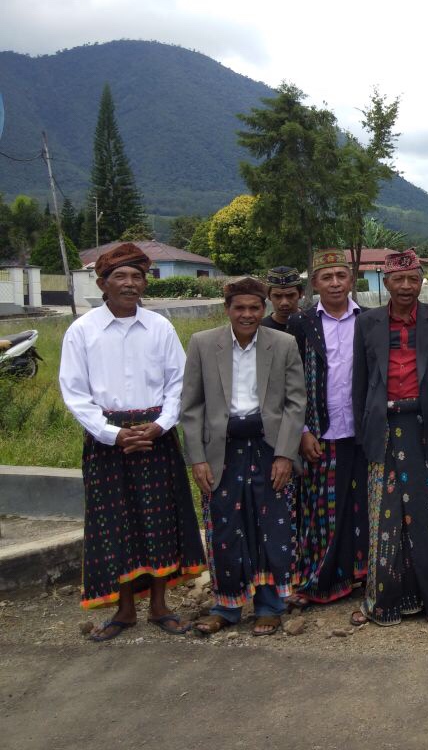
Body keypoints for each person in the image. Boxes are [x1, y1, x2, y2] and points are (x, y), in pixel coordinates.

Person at [58, 243, 205, 640]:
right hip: (107, 442)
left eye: (136, 276)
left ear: (144, 283)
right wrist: (113, 434)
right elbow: (74, 393)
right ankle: (123, 610)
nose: (129, 283)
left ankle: (160, 606)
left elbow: (179, 384)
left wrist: (159, 425)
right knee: (115, 524)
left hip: (157, 436)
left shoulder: (160, 327)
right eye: (119, 276)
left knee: (161, 521)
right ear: (102, 283)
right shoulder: (82, 331)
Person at [181, 277, 305, 637]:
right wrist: (197, 458)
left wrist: (285, 453)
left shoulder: (283, 345)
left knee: (272, 528)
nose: (248, 314)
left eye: (254, 308)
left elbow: (296, 404)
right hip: (222, 451)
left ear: (263, 308)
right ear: (227, 310)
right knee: (223, 528)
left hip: (269, 449)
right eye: (240, 308)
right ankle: (227, 605)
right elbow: (191, 406)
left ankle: (269, 605)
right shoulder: (203, 344)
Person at [352, 249, 428, 627]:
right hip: (383, 429)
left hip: (426, 427)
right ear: (386, 282)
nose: (407, 286)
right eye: (399, 279)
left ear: (421, 281)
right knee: (386, 516)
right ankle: (386, 602)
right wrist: (364, 430)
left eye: (413, 279)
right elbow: (360, 383)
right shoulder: (367, 323)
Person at [286, 249, 366, 606]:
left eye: (341, 276)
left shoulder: (369, 319)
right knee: (321, 512)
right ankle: (317, 581)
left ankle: (360, 576)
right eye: (327, 277)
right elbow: (290, 382)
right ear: (315, 283)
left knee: (361, 507)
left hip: (362, 432)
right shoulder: (301, 324)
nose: (335, 284)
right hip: (320, 433)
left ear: (351, 280)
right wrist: (302, 429)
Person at [262, 266, 305, 331]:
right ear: (268, 296)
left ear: (301, 294)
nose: (284, 303)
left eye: (290, 295)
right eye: (277, 296)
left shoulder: (314, 324)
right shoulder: (261, 328)